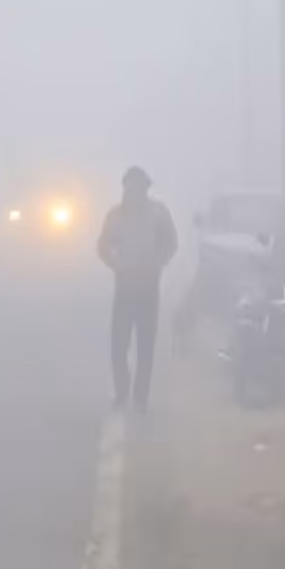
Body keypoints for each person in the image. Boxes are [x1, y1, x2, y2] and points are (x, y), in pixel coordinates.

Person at [96, 166, 179, 413]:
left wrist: (159, 262)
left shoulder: (157, 213)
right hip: (124, 285)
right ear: (125, 188)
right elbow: (103, 245)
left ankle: (141, 396)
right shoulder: (115, 216)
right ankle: (122, 390)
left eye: (139, 186)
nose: (134, 191)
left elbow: (171, 242)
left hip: (148, 286)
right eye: (131, 186)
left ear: (146, 188)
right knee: (118, 343)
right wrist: (114, 263)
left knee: (146, 344)